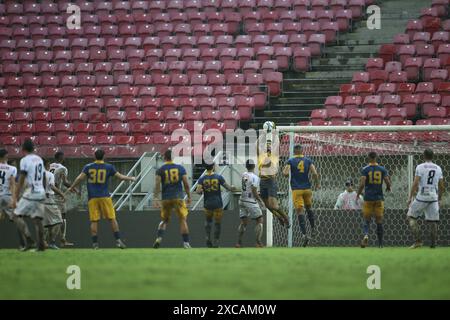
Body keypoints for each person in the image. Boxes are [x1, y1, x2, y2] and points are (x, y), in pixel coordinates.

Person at [67, 149, 135, 249]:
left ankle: (95, 244)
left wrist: (72, 187)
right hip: (105, 197)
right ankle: (118, 241)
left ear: (94, 156)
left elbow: (79, 178)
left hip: (93, 197)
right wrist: (131, 178)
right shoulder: (109, 167)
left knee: (94, 221)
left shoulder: (88, 167)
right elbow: (120, 177)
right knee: (112, 219)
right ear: (104, 156)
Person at [11, 139, 47, 251]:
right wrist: (44, 190)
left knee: (16, 215)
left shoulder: (24, 160)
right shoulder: (39, 159)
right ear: (33, 148)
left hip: (31, 192)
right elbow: (44, 176)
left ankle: (29, 239)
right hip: (41, 192)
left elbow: (21, 180)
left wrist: (15, 197)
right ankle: (41, 246)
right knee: (38, 219)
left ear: (23, 149)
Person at [152, 149, 192, 249]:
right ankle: (186, 243)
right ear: (173, 157)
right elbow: (186, 184)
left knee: (164, 220)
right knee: (183, 220)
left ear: (165, 158)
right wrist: (189, 196)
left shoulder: (160, 170)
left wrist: (156, 198)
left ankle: (159, 238)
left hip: (166, 198)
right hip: (178, 197)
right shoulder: (180, 168)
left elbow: (157, 185)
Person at [282, 145, 320, 247]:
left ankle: (304, 235)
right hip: (307, 189)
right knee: (309, 208)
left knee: (300, 211)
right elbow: (315, 173)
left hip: (296, 190)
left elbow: (285, 173)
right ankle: (313, 229)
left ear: (294, 151)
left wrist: (287, 172)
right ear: (302, 151)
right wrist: (317, 184)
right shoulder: (308, 160)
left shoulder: (290, 160)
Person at [407, 149, 445, 249]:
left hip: (422, 196)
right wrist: (439, 199)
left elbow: (415, 183)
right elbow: (442, 186)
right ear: (433, 156)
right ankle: (433, 244)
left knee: (411, 217)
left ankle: (418, 241)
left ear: (423, 156)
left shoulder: (420, 167)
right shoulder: (438, 168)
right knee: (433, 221)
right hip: (433, 197)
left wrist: (410, 197)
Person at [196, 163, 237, 248]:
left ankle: (207, 237)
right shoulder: (218, 177)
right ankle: (216, 241)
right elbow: (228, 187)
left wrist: (204, 189)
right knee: (217, 223)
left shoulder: (202, 179)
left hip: (207, 203)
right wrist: (233, 187)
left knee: (208, 221)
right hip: (218, 203)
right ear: (213, 167)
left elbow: (198, 191)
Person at [356, 151, 391, 248]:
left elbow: (362, 184)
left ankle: (366, 235)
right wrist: (388, 187)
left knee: (367, 220)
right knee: (379, 221)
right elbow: (387, 181)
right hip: (379, 199)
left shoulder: (365, 169)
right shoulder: (382, 169)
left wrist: (358, 194)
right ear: (376, 157)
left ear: (368, 157)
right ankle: (380, 244)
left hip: (368, 199)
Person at [258, 143, 290, 228]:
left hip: (270, 181)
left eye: (269, 146)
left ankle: (286, 217)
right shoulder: (261, 155)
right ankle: (279, 217)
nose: (267, 147)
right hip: (262, 181)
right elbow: (256, 145)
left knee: (274, 205)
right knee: (267, 205)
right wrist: (262, 135)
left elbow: (276, 149)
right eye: (266, 146)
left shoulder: (274, 157)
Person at [50, 151, 78, 247]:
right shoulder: (62, 168)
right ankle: (62, 239)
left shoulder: (50, 166)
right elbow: (65, 182)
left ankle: (44, 241)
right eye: (63, 156)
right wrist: (75, 188)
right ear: (61, 157)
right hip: (57, 195)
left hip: (47, 194)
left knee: (49, 219)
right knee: (62, 218)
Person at [236, 159, 266, 248]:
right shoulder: (255, 177)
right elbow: (254, 191)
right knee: (260, 219)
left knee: (243, 222)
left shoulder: (243, 175)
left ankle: (239, 242)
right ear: (254, 166)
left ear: (246, 166)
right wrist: (261, 201)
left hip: (242, 200)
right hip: (250, 200)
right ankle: (258, 242)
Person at [43, 159, 65, 250]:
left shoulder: (35, 174)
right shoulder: (49, 174)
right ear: (48, 165)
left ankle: (43, 242)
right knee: (59, 220)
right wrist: (61, 194)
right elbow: (52, 186)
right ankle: (51, 242)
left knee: (45, 223)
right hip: (48, 199)